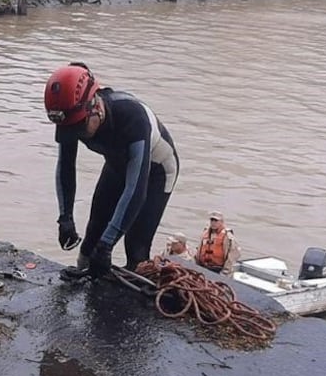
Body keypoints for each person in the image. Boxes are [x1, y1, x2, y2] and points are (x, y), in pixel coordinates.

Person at [46, 62, 179, 277]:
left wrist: (107, 246)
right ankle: (86, 281)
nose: (75, 135)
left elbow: (135, 189)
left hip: (156, 171)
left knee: (136, 246)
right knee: (94, 231)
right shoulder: (72, 118)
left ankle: (135, 298)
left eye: (79, 129)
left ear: (95, 107)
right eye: (69, 131)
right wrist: (65, 218)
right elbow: (65, 168)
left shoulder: (133, 118)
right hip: (117, 164)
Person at [195, 211, 240, 275]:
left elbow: (233, 255)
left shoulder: (227, 236)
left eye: (216, 221)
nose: (213, 223)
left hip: (218, 269)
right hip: (203, 267)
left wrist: (225, 272)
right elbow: (199, 250)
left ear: (221, 222)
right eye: (212, 220)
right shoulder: (205, 233)